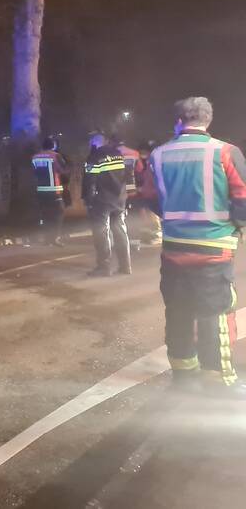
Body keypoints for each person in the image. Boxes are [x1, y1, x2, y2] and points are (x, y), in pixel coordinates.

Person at [140, 98, 246, 397]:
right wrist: (235, 225)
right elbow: (243, 196)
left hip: (174, 246)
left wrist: (175, 217)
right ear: (208, 121)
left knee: (178, 308)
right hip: (214, 247)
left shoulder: (158, 155)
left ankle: (183, 373)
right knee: (217, 312)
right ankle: (218, 377)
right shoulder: (225, 152)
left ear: (178, 121)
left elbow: (148, 195)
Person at [83, 132, 131, 277]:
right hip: (120, 199)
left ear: (94, 142)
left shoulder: (94, 156)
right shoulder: (118, 153)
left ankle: (104, 267)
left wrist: (88, 200)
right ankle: (125, 266)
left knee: (101, 233)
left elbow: (90, 180)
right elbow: (127, 176)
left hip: (102, 201)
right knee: (121, 231)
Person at [31, 136, 69, 246]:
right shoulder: (55, 156)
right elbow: (63, 170)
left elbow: (35, 172)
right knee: (58, 214)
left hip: (41, 190)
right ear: (53, 145)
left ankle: (46, 238)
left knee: (45, 214)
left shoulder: (35, 157)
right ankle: (54, 238)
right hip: (54, 190)